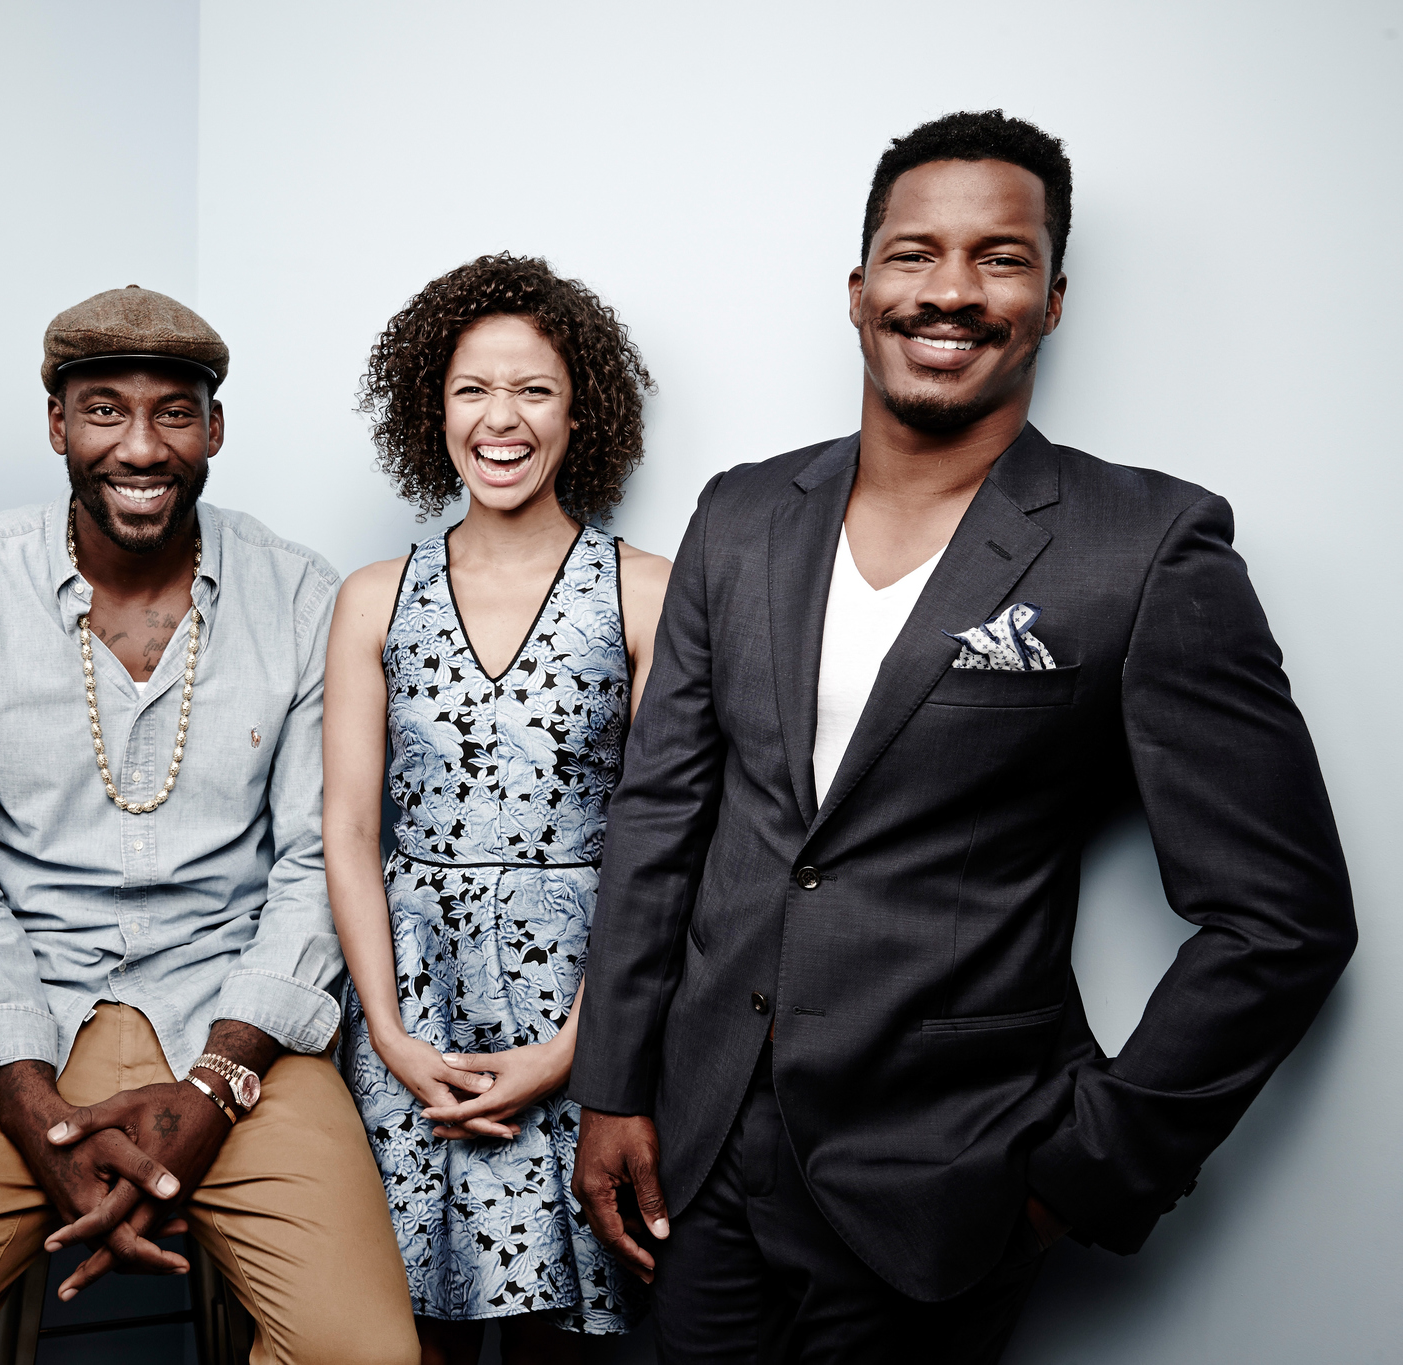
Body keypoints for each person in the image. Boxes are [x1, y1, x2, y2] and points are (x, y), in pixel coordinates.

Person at [567, 110, 1356, 1363]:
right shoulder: (741, 512)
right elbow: (663, 814)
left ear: (1050, 300)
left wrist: (1079, 1172)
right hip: (697, 1155)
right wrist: (612, 1081)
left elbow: (1283, 920)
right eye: (911, 253)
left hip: (942, 1185)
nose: (948, 290)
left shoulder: (1144, 549)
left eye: (997, 258)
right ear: (856, 287)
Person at [0, 285, 419, 1365]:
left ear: (214, 429)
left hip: (239, 1028)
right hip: (7, 1026)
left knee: (365, 1356)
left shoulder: (302, 596)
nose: (140, 445)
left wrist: (215, 1087)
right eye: (103, 410)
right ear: (56, 425)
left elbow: (317, 862)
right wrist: (35, 1116)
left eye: (174, 412)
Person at [324, 254, 670, 1364]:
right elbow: (349, 832)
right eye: (472, 388)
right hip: (410, 998)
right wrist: (385, 1033)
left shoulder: (645, 590)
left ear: (582, 411)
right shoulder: (373, 596)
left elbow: (666, 842)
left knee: (563, 1334)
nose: (500, 418)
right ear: (434, 408)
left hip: (585, 1000)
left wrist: (578, 1046)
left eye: (532, 389)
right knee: (402, 1325)